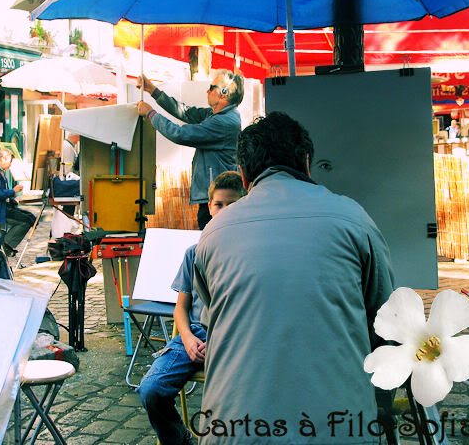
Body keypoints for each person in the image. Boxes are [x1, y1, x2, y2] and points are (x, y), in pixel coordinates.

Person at [193, 112, 395, 444]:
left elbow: (213, 320)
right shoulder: (353, 218)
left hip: (234, 431)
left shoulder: (213, 232)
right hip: (339, 429)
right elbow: (387, 323)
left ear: (243, 176)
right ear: (306, 162)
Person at [137, 171, 247, 445]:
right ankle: (179, 440)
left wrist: (220, 343)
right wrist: (187, 338)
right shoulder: (193, 252)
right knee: (151, 390)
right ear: (209, 207)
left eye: (232, 205)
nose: (224, 211)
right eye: (219, 204)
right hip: (195, 334)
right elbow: (180, 308)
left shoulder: (249, 253)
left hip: (235, 338)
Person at [137, 70, 244, 229]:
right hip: (218, 197)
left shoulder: (223, 122)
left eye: (211, 87)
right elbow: (185, 112)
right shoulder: (220, 116)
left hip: (219, 200)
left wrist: (151, 114)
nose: (207, 91)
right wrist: (153, 90)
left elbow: (180, 134)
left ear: (224, 93)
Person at [0, 149, 35, 256]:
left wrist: (11, 197)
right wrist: (12, 191)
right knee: (26, 220)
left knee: (30, 218)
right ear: (3, 159)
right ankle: (6, 246)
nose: (10, 165)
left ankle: (5, 246)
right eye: (10, 162)